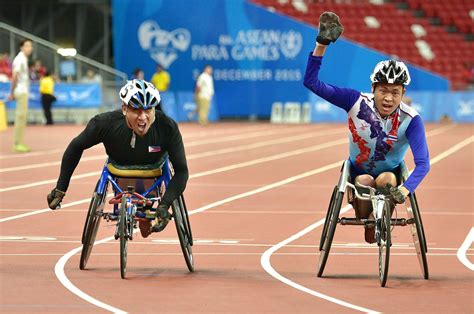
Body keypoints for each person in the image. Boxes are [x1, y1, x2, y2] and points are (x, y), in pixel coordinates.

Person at [303, 12, 430, 243]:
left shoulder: (411, 119)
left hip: (391, 178)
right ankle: (369, 219)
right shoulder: (354, 101)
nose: (389, 98)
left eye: (395, 92)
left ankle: (382, 217)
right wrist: (321, 45)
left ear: (403, 93)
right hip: (357, 173)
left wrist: (405, 190)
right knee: (365, 182)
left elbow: (423, 164)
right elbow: (311, 83)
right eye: (383, 90)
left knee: (384, 180)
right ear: (373, 88)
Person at [46, 79, 189, 237]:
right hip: (119, 169)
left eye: (148, 110)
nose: (143, 117)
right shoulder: (104, 123)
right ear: (124, 109)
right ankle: (142, 211)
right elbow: (76, 147)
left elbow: (182, 171)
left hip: (154, 170)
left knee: (146, 227)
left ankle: (145, 211)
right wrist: (60, 188)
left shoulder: (167, 127)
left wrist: (164, 205)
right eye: (136, 110)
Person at [8, 38, 33, 153]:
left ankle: (19, 142)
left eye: (31, 46)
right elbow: (15, 76)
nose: (30, 48)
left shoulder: (23, 58)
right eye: (27, 45)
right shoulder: (19, 59)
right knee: (20, 118)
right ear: (21, 47)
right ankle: (17, 144)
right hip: (21, 91)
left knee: (22, 118)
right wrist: (11, 92)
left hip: (23, 91)